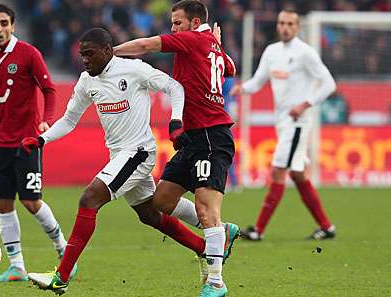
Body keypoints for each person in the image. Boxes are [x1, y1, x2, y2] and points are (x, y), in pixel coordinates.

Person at [24, 28, 213, 295]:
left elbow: (174, 86)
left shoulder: (133, 69)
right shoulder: (86, 81)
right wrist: (42, 140)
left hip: (138, 152)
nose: (85, 60)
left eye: (90, 54)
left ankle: (61, 277)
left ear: (107, 50)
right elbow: (69, 120)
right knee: (149, 214)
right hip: (119, 154)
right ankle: (209, 246)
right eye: (82, 55)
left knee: (89, 199)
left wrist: (175, 121)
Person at [113, 1, 239, 296]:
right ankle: (225, 231)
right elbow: (229, 69)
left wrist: (111, 52)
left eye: (177, 23)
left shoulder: (193, 39)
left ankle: (216, 282)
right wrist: (217, 46)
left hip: (211, 137)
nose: (172, 29)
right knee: (161, 201)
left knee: (207, 209)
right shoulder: (211, 45)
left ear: (195, 23)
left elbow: (146, 45)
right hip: (193, 139)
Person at [0, 4, 74, 283]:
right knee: (3, 203)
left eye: (4, 24)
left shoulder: (28, 54)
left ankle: (63, 250)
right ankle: (17, 267)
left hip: (27, 140)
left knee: (32, 202)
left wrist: (46, 120)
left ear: (13, 26)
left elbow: (48, 89)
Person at [229, 10, 337, 241]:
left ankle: (258, 230)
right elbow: (258, 81)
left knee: (278, 170)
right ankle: (326, 227)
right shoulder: (272, 51)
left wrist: (305, 104)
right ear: (278, 26)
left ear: (297, 27)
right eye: (282, 23)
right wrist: (242, 88)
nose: (285, 27)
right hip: (282, 122)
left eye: (290, 23)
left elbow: (329, 83)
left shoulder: (305, 53)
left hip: (297, 122)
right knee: (297, 174)